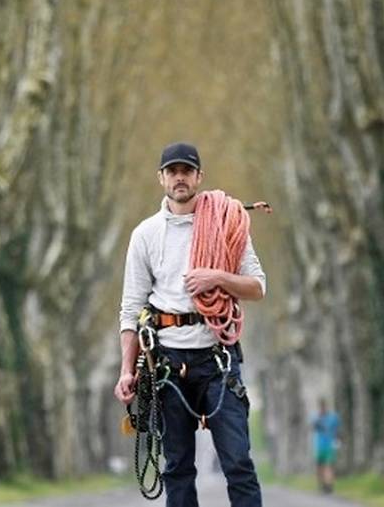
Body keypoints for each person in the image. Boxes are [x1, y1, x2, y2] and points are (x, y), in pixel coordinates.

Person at [115, 141, 267, 507]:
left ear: (199, 176)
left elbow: (258, 287)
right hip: (167, 362)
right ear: (162, 178)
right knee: (177, 467)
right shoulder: (145, 235)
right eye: (172, 171)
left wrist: (218, 277)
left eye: (186, 171)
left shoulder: (228, 223)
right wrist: (125, 370)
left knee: (238, 463)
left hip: (219, 359)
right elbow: (131, 308)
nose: (179, 178)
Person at [312, 399, 340, 494]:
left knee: (328, 466)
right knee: (319, 467)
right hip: (318, 446)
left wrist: (337, 441)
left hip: (329, 445)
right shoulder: (315, 416)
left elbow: (337, 430)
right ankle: (322, 484)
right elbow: (313, 426)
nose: (322, 409)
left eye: (323, 407)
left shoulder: (333, 417)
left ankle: (328, 485)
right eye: (321, 407)